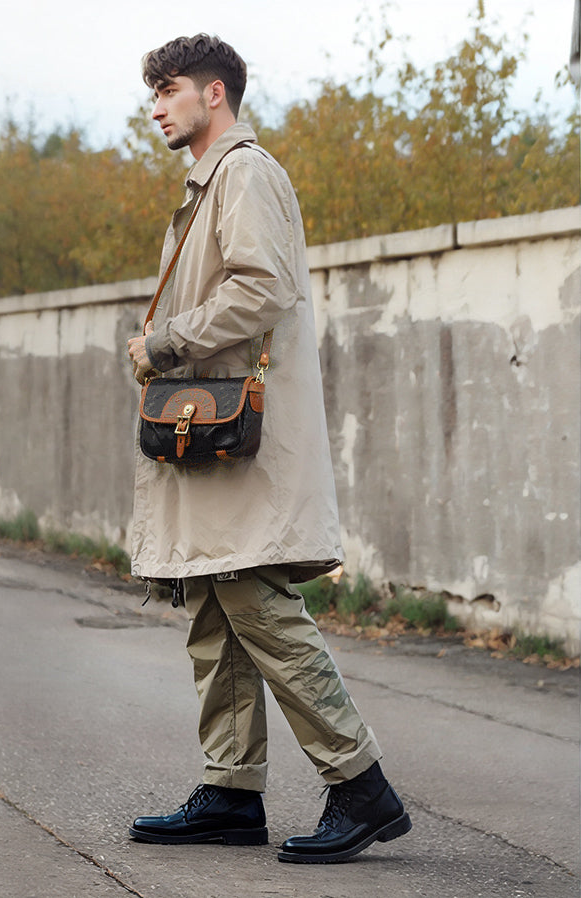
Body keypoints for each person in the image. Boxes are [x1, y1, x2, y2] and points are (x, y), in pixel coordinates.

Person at [126, 34, 411, 864]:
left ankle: (360, 784)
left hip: (243, 437)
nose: (155, 107)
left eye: (168, 90)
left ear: (214, 94)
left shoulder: (245, 173)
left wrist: (164, 343)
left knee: (253, 599)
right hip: (214, 440)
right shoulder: (211, 181)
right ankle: (229, 788)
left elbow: (259, 288)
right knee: (212, 602)